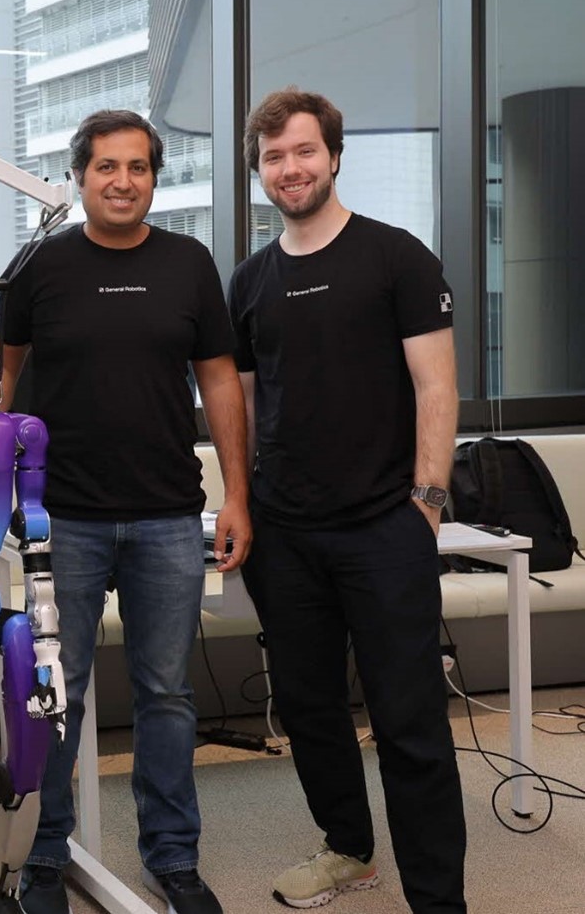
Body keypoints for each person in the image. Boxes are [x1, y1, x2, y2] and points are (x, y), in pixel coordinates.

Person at [0, 109, 251, 914]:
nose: (121, 181)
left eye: (137, 167)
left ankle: (172, 857)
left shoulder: (187, 263)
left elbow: (218, 381)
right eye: (105, 166)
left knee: (165, 693)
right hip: (60, 517)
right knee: (54, 690)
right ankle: (44, 854)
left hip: (167, 514)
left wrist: (237, 494)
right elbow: (2, 381)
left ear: (153, 178)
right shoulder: (38, 265)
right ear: (78, 176)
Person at [229, 88, 463, 913]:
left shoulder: (396, 258)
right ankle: (348, 849)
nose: (289, 169)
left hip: (383, 526)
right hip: (285, 535)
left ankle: (437, 898)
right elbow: (245, 411)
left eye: (303, 151)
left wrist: (425, 504)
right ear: (259, 170)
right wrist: (242, 503)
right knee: (308, 707)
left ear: (332, 155)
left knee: (408, 719)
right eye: (273, 157)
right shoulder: (248, 281)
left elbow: (436, 387)